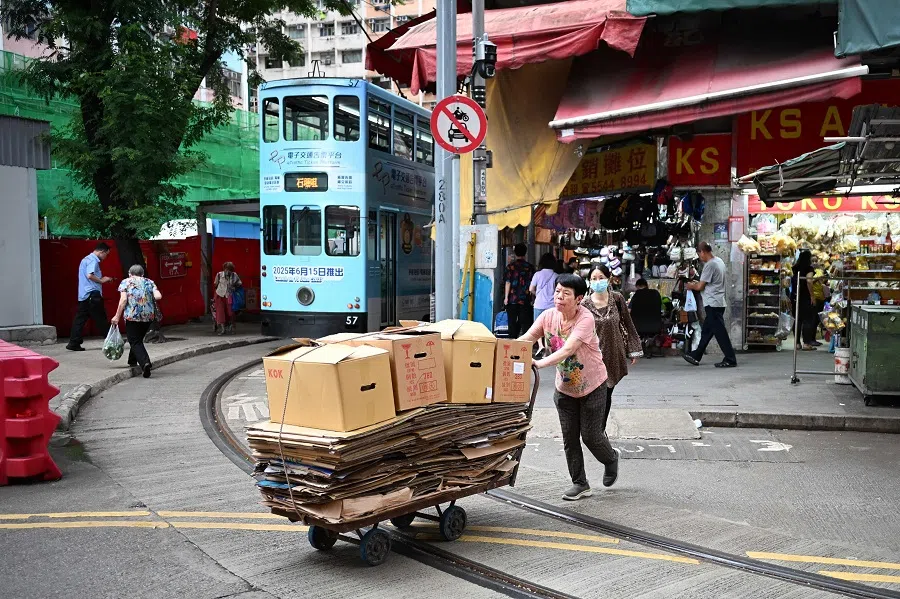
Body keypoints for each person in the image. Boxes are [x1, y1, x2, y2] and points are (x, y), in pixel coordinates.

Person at [518, 274, 619, 501]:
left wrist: (539, 363)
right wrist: (503, 349)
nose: (559, 297)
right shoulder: (547, 316)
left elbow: (567, 350)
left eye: (566, 293)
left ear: (579, 299)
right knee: (569, 438)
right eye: (557, 292)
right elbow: (527, 338)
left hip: (593, 385)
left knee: (591, 436)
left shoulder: (586, 319)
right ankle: (580, 483)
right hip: (564, 389)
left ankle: (611, 458)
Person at [584, 265, 643, 431]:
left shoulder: (617, 299)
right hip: (592, 357)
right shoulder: (584, 304)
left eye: (601, 277)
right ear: (589, 281)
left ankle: (600, 431)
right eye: (594, 278)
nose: (598, 281)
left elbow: (628, 324)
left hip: (613, 355)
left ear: (608, 279)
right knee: (594, 396)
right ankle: (592, 429)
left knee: (607, 394)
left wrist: (633, 348)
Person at [683, 242, 738, 367]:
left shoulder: (710, 265)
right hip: (718, 302)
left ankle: (730, 359)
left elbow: (700, 286)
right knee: (707, 331)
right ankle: (696, 355)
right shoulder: (719, 261)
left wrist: (691, 286)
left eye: (699, 254)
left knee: (720, 333)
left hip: (712, 303)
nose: (700, 257)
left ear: (702, 252)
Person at [111, 265, 162, 378]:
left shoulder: (125, 282)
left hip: (132, 316)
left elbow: (123, 300)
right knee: (137, 339)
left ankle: (145, 363)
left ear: (130, 273)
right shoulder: (149, 282)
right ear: (142, 274)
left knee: (134, 341)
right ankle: (132, 360)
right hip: (148, 316)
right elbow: (158, 296)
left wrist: (116, 316)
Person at [67, 242, 113, 352]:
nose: (105, 257)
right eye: (106, 254)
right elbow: (90, 275)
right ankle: (112, 340)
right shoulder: (93, 260)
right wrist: (102, 280)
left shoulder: (85, 259)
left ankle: (74, 342)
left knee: (80, 319)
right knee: (101, 318)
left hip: (84, 295)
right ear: (101, 252)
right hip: (92, 294)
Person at [503, 243, 536, 339]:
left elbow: (508, 282)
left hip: (512, 299)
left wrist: (506, 298)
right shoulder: (530, 267)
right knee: (525, 323)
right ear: (525, 253)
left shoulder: (510, 267)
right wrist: (533, 298)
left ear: (515, 253)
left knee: (512, 322)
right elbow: (532, 284)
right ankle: (524, 344)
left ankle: (512, 342)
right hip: (525, 299)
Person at [791, 250, 817, 351]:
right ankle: (806, 343)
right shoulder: (809, 268)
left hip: (795, 296)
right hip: (805, 297)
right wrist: (812, 296)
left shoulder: (794, 267)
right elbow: (809, 280)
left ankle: (797, 343)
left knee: (797, 319)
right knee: (807, 320)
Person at [213, 262, 242, 335]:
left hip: (229, 295)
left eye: (230, 270)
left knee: (230, 312)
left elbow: (239, 283)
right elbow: (215, 283)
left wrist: (234, 287)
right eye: (227, 269)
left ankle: (233, 327)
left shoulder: (234, 275)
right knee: (220, 312)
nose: (228, 271)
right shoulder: (219, 274)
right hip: (219, 295)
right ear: (224, 269)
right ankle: (223, 330)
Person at [529, 253, 559, 322]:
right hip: (552, 306)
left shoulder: (537, 274)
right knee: (551, 329)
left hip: (539, 305)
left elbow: (531, 289)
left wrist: (537, 294)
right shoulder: (556, 276)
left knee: (538, 330)